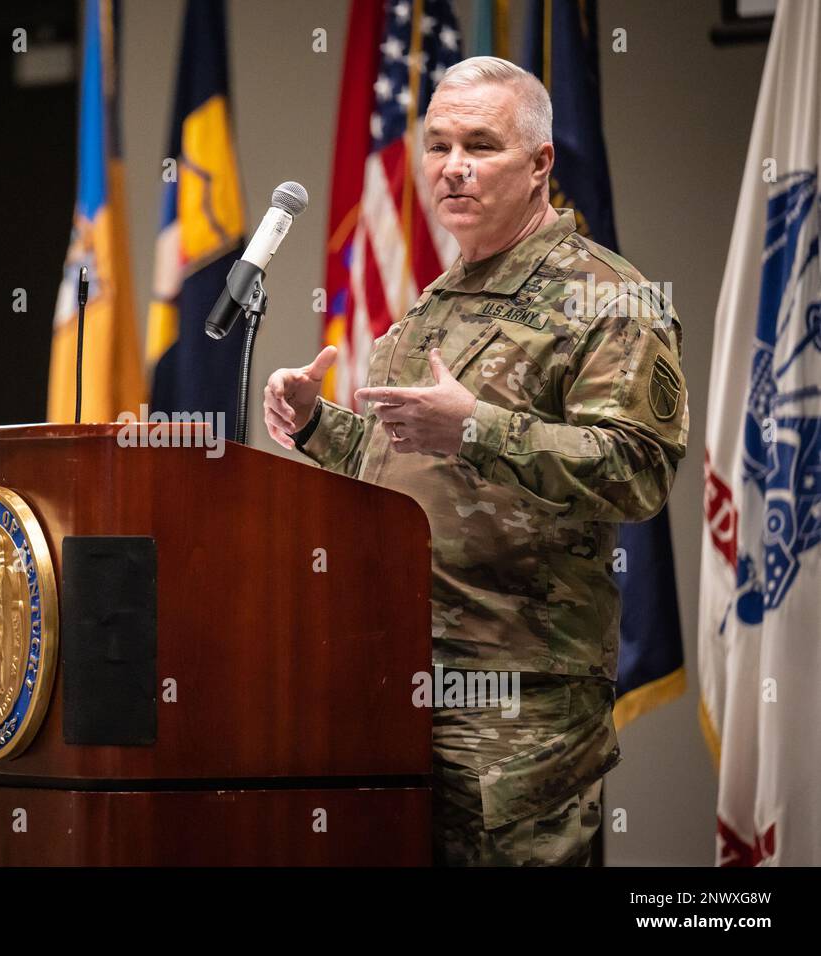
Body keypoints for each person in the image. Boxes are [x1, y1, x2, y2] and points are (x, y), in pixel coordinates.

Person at [264, 57, 688, 866]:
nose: (452, 167)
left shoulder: (610, 298)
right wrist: (321, 427)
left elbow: (638, 471)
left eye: (481, 145)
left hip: (521, 700)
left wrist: (478, 430)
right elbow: (410, 467)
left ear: (540, 165)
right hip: (397, 680)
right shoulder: (438, 301)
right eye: (438, 145)